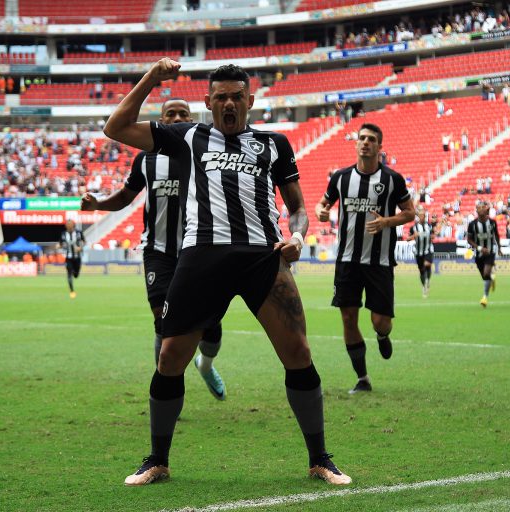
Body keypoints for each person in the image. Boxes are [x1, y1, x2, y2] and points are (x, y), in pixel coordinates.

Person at [104, 58, 351, 486]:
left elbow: (297, 209)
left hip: (261, 256)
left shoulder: (275, 144)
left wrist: (297, 236)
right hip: (201, 256)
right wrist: (152, 78)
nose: (229, 103)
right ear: (208, 102)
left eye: (237, 96)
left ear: (250, 100)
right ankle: (157, 460)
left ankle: (319, 459)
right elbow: (116, 127)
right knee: (169, 357)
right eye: (221, 97)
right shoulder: (187, 136)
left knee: (298, 354)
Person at [81, 98, 226, 400]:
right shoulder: (146, 159)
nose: (176, 118)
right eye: (169, 114)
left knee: (210, 327)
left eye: (182, 114)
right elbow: (125, 197)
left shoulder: (206, 155)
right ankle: (168, 388)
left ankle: (206, 364)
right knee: (163, 320)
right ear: (160, 120)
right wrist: (98, 204)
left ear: (192, 118)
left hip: (198, 250)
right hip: (158, 251)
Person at [314, 123, 415, 393]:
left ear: (379, 147)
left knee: (379, 321)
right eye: (361, 138)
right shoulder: (341, 178)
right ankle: (362, 378)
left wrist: (386, 222)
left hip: (379, 262)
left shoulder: (392, 179)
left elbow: (410, 213)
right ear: (356, 143)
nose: (365, 143)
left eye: (371, 139)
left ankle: (383, 335)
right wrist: (321, 211)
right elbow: (322, 204)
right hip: (347, 261)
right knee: (348, 318)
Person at [467, 202, 501, 308]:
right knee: (485, 276)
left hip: (491, 251)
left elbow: (496, 235)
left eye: (483, 207)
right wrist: (480, 248)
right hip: (478, 253)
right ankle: (491, 277)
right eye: (479, 208)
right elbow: (469, 239)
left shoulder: (492, 222)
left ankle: (485, 297)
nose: (481, 209)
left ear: (486, 210)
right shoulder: (472, 224)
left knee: (486, 273)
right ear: (476, 211)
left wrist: (499, 247)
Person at [408, 205, 434, 298]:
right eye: (421, 215)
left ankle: (428, 280)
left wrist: (433, 236)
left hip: (428, 249)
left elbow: (432, 235)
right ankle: (424, 286)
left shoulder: (429, 226)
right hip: (418, 252)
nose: (422, 217)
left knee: (427, 264)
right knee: (421, 270)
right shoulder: (414, 227)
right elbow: (407, 238)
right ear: (418, 216)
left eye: (424, 215)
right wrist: (413, 236)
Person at [60, 219, 84, 298]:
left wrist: (80, 247)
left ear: (73, 225)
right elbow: (61, 243)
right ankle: (72, 291)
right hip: (68, 257)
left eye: (70, 224)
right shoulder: (63, 234)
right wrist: (59, 245)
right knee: (69, 273)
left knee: (76, 275)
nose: (68, 225)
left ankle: (75, 272)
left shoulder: (78, 233)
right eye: (67, 224)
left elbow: (84, 241)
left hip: (77, 257)